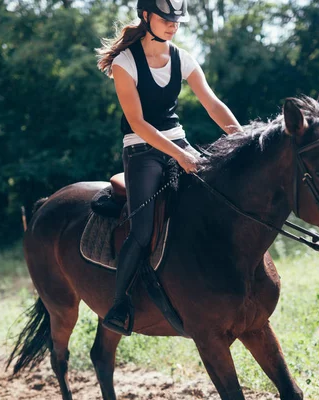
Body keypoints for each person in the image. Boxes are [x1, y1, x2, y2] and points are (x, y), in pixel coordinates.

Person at [96, 0, 243, 335]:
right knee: (143, 230)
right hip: (141, 150)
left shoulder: (183, 58)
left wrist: (243, 138)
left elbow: (212, 104)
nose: (173, 25)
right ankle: (119, 306)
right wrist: (180, 156)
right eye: (166, 19)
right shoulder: (125, 62)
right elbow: (138, 122)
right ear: (146, 16)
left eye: (177, 20)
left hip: (179, 143)